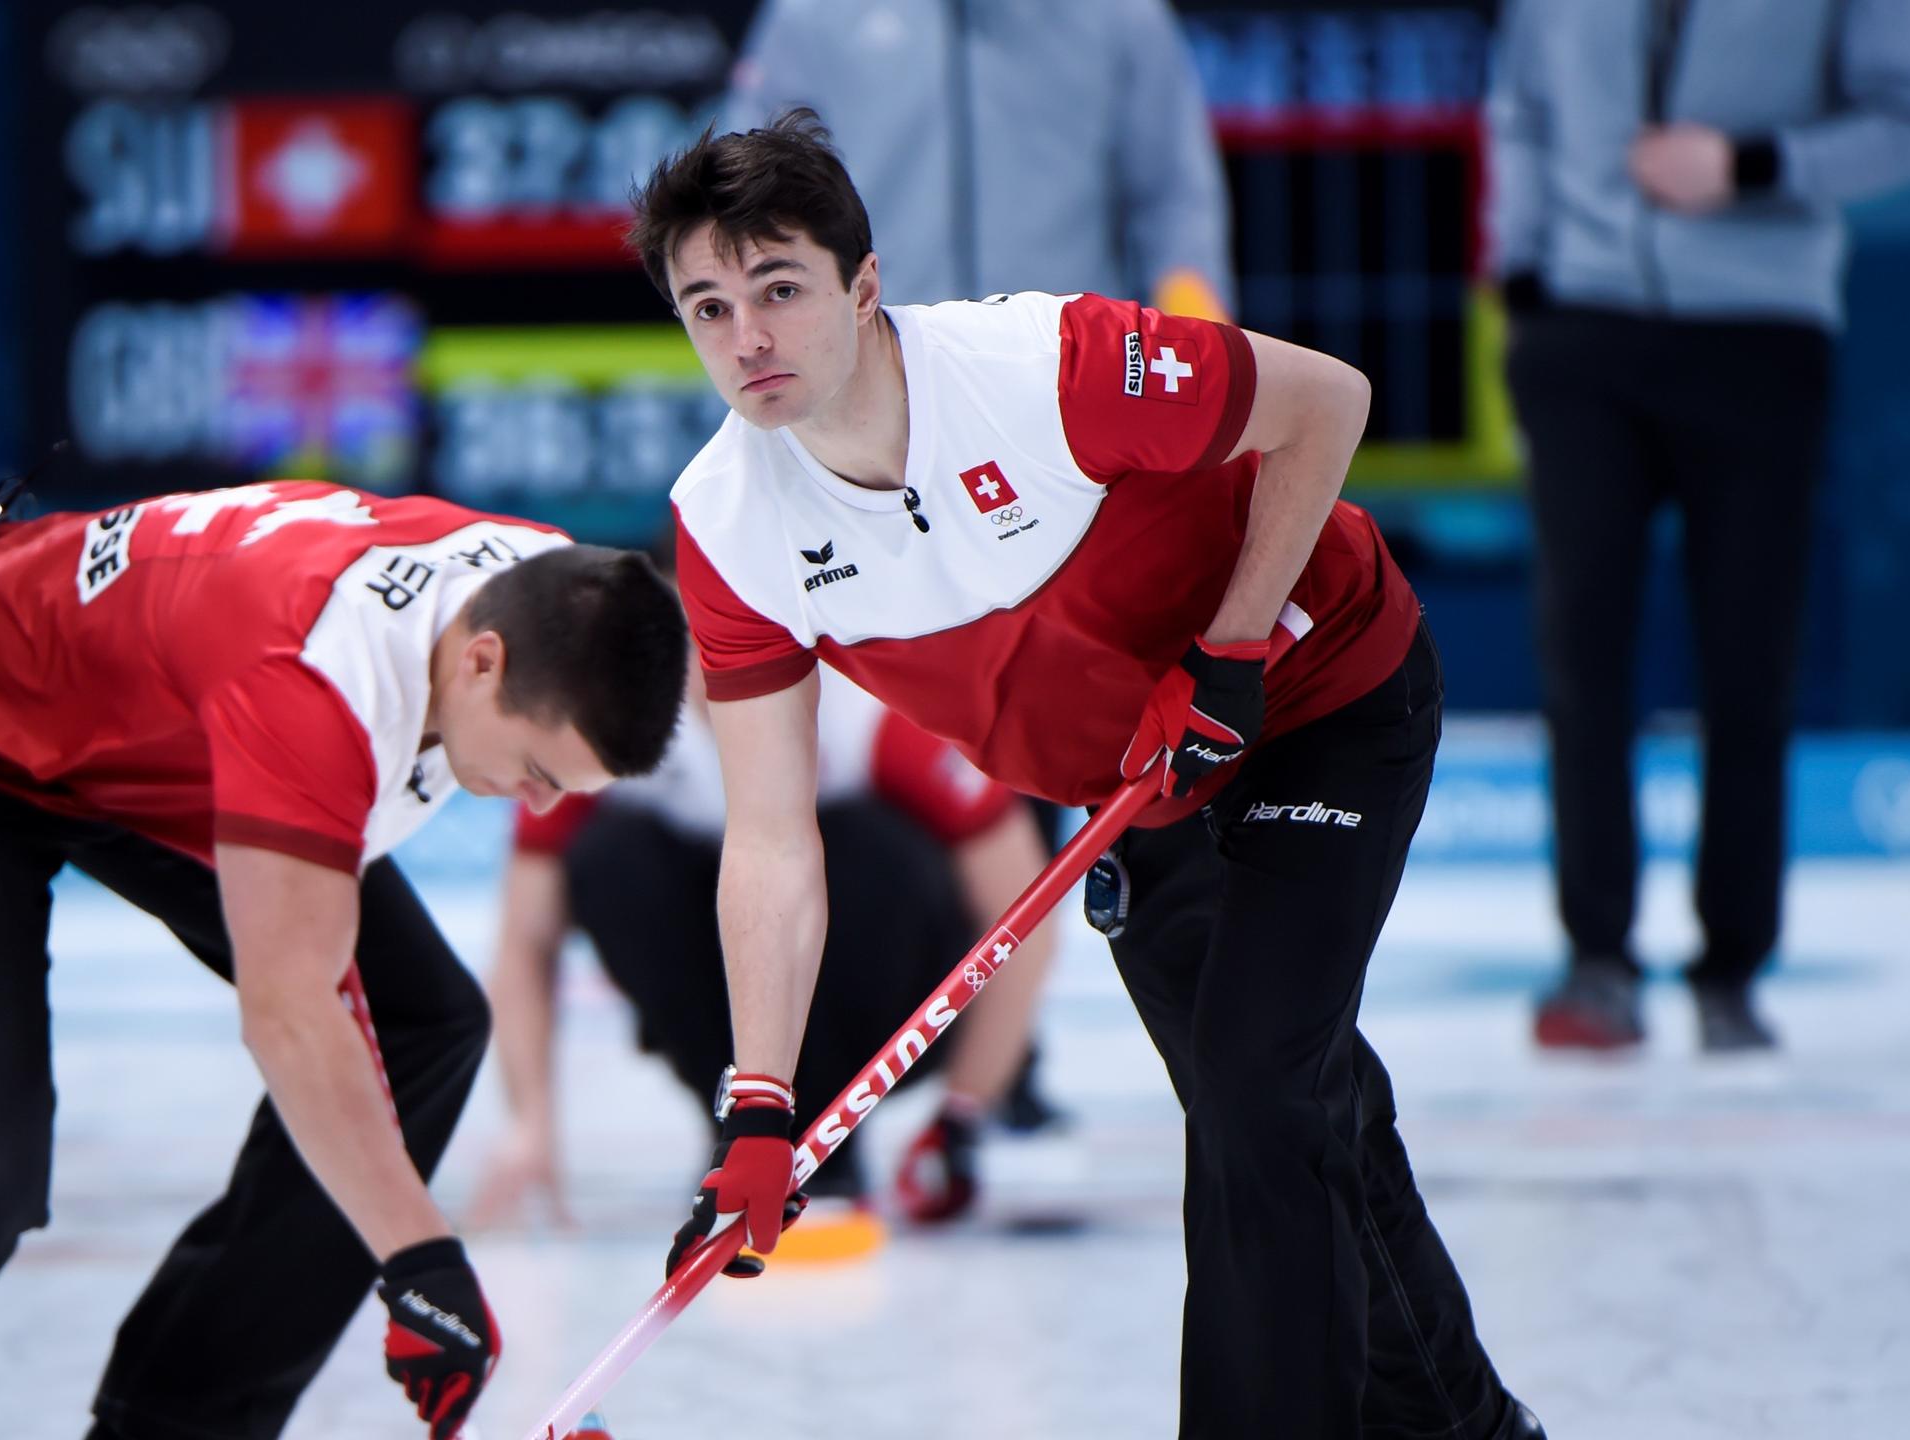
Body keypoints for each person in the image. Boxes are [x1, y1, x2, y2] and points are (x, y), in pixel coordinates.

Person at [631, 113, 1541, 1439]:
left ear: (864, 285)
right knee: (1287, 1107)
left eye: (779, 289)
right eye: (707, 306)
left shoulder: (1048, 367)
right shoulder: (727, 531)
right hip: (1141, 788)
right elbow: (771, 843)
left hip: (1319, 694)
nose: (747, 338)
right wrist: (762, 1105)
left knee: (1254, 1083)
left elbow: (1327, 404)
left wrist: (1231, 650)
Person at [0, 479, 689, 1440]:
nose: (541, 805)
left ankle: (173, 1427)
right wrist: (417, 1259)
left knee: (429, 1020)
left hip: (153, 740)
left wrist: (764, 1081)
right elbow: (291, 1013)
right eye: (540, 771)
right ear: (482, 663)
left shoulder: (556, 592)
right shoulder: (315, 679)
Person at [1488, 0, 1910, 1053]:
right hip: (1580, 323)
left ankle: (1730, 964)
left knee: (1747, 659)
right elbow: (1519, 111)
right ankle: (1594, 959)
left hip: (1757, 328)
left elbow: (1909, 118)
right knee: (1580, 651)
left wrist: (1753, 163)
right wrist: (1521, 281)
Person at [469, 662, 1070, 1254]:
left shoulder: (873, 713)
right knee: (613, 858)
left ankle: (828, 1129)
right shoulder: (614, 722)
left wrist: (960, 1117)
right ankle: (736, 1121)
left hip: (879, 975)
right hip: (714, 990)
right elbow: (526, 936)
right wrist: (529, 1125)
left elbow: (1022, 916)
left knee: (869, 851)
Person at [728, 0, 1233, 317]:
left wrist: (1199, 342)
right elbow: (757, 198)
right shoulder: (811, 15)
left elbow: (1173, 199)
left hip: (1068, 377)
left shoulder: (1120, 14)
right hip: (881, 368)